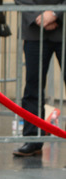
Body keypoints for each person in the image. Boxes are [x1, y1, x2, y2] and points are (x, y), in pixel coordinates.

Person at [13, 0, 65, 157]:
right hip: (34, 32)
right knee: (32, 87)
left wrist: (55, 14)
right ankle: (32, 139)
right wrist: (39, 17)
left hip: (63, 29)